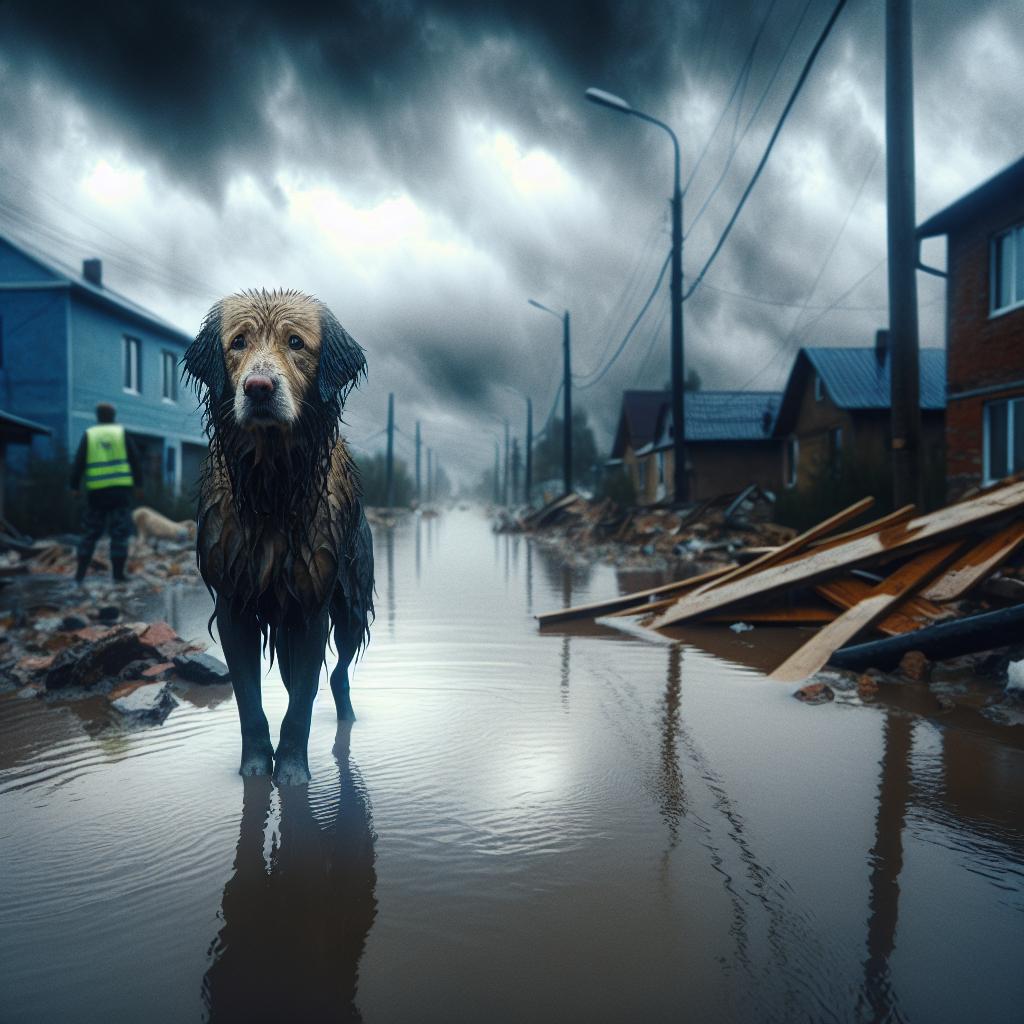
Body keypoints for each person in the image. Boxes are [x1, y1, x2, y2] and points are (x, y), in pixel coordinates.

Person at [70, 402, 142, 583]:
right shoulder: (121, 434)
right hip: (120, 492)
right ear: (113, 416)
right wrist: (139, 485)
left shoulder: (90, 435)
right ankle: (118, 575)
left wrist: (74, 486)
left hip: (97, 493)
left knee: (90, 532)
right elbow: (135, 460)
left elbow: (78, 462)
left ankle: (79, 575)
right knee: (119, 533)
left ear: (98, 416)